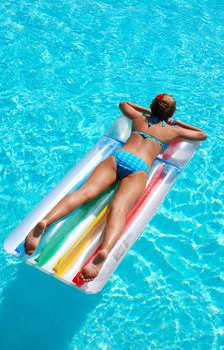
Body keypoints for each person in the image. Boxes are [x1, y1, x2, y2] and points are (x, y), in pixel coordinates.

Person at [24, 94, 207, 282]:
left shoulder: (139, 119)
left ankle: (45, 222)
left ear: (153, 106)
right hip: (139, 168)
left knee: (85, 193)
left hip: (119, 157)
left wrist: (147, 112)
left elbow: (123, 104)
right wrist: (174, 121)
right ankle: (103, 252)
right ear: (172, 112)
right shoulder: (172, 131)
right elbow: (202, 135)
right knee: (118, 210)